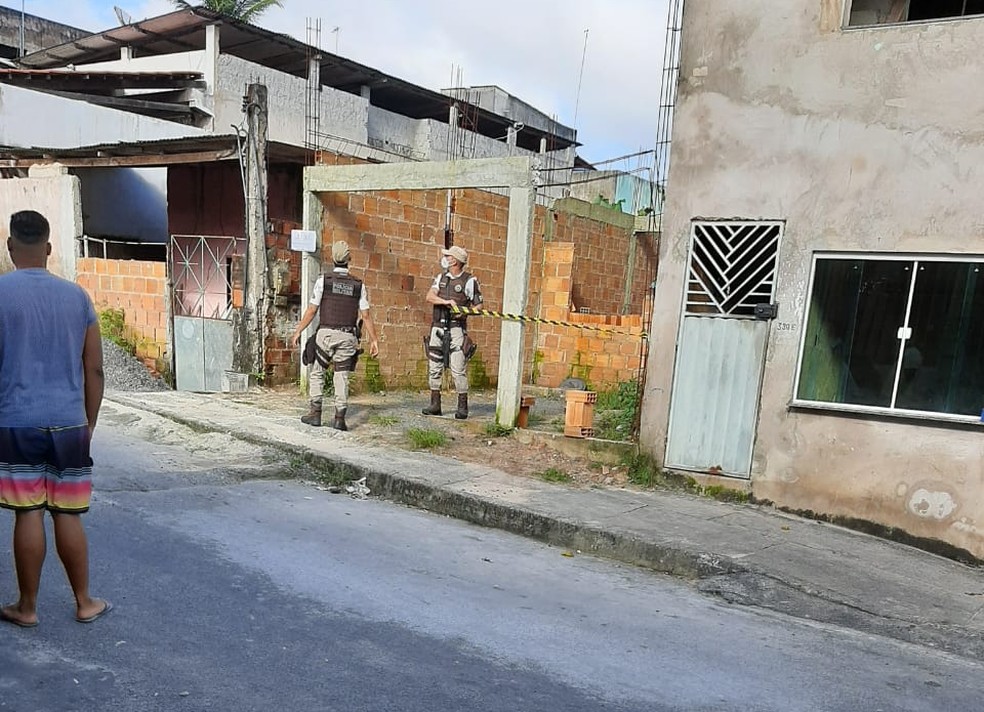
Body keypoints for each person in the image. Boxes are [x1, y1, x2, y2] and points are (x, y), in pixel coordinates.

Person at [0, 210, 110, 628]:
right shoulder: (77, 297)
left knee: (27, 512)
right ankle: (84, 601)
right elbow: (95, 369)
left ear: (11, 247)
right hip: (69, 423)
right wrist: (89, 421)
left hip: (15, 421)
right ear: (48, 248)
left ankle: (27, 608)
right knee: (67, 512)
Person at [290, 240, 379, 431]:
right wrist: (374, 340)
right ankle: (339, 418)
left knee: (317, 372)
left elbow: (312, 310)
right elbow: (366, 315)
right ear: (349, 259)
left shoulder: (324, 281)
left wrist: (299, 330)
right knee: (342, 376)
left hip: (326, 335)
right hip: (347, 336)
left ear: (333, 258)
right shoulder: (358, 285)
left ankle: (315, 413)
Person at [422, 245, 482, 419]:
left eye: (448, 256)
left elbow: (479, 306)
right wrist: (446, 302)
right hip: (437, 327)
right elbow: (429, 296)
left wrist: (464, 311)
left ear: (455, 260)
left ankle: (462, 406)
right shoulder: (441, 278)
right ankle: (435, 404)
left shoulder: (469, 280)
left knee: (458, 368)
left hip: (456, 328)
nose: (446, 258)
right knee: (434, 366)